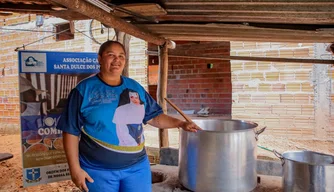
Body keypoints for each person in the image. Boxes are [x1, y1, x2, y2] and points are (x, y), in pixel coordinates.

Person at [56, 40, 201, 192]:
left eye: (121, 56)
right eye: (110, 55)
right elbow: (70, 131)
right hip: (98, 170)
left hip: (137, 168)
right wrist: (75, 169)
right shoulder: (83, 90)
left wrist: (180, 124)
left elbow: (154, 117)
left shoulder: (135, 87)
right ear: (99, 58)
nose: (116, 60)